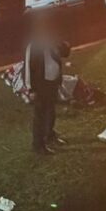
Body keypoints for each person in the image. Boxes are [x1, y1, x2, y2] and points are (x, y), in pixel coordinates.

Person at [25, 16, 71, 155]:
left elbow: (65, 53)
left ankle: (50, 135)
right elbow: (28, 68)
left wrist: (62, 44)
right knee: (40, 115)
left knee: (51, 111)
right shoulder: (34, 46)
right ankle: (38, 145)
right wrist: (31, 89)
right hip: (41, 85)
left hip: (52, 83)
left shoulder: (52, 42)